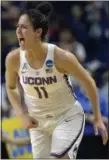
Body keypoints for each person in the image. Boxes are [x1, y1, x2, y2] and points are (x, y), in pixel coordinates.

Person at [5, 2, 108, 159]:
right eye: (18, 26)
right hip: (39, 121)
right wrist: (21, 114)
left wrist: (98, 118)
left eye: (24, 27)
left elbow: (89, 82)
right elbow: (11, 87)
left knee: (58, 157)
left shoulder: (61, 56)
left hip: (66, 115)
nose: (18, 31)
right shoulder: (14, 58)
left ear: (37, 32)